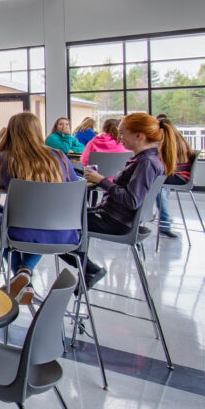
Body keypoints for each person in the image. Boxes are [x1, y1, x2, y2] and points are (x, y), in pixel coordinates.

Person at [0, 113, 81, 304]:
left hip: (17, 230)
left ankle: (17, 274)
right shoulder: (59, 156)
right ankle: (24, 274)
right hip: (63, 232)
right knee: (30, 228)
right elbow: (74, 187)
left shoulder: (2, 159)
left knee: (1, 232)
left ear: (11, 132)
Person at [80, 113, 181, 289]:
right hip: (115, 217)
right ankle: (88, 268)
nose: (119, 138)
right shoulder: (146, 160)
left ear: (139, 135)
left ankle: (90, 269)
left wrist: (101, 180)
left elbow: (131, 200)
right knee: (64, 221)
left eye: (122, 133)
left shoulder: (146, 163)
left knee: (59, 225)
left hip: (115, 221)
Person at [155, 117, 194, 239]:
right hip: (182, 177)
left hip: (176, 177)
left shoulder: (167, 143)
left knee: (152, 183)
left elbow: (162, 165)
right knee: (158, 184)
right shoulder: (181, 140)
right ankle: (163, 221)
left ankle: (163, 224)